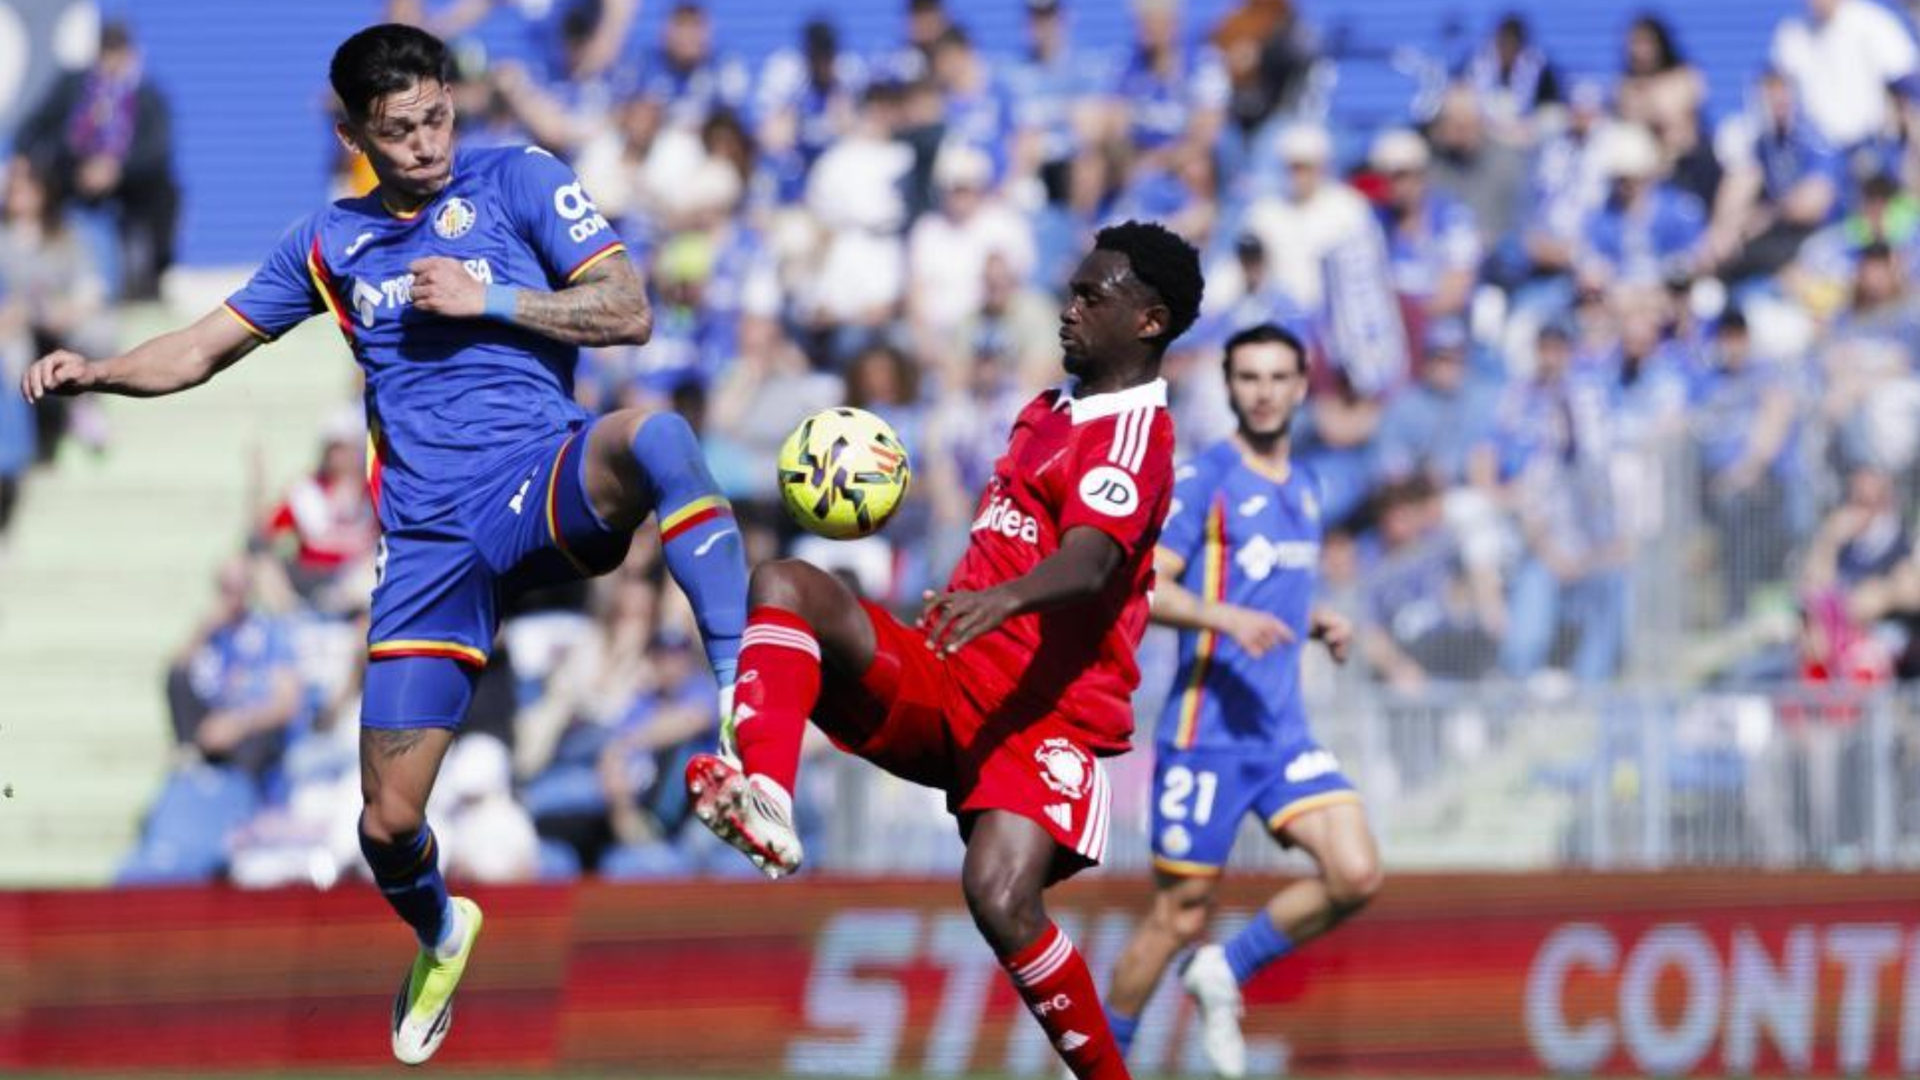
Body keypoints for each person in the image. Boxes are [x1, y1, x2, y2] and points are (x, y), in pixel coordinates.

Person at [18, 24, 750, 1066]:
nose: (425, 144)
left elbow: (630, 308)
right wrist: (97, 371)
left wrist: (491, 297)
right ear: (355, 131)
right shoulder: (329, 243)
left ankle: (744, 685)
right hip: (425, 546)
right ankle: (443, 932)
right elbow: (198, 347)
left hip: (537, 483)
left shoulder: (520, 180)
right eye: (399, 130)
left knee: (661, 437)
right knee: (385, 824)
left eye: (437, 117)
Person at [683, 221, 1202, 1080]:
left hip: (1041, 718)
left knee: (999, 896)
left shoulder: (1134, 436)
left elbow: (1093, 559)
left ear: (1148, 321)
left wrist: (1004, 598)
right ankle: (767, 796)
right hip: (947, 668)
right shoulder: (1050, 410)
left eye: (1089, 296)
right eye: (1069, 290)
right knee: (784, 584)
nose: (1066, 309)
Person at [1101, 323, 1381, 1079]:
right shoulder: (1207, 478)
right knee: (1175, 918)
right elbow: (1146, 583)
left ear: (1301, 387)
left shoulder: (1311, 485)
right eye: (1248, 378)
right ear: (1230, 388)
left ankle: (1224, 970)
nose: (1263, 392)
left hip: (1281, 734)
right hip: (1207, 735)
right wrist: (1227, 619)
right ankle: (1091, 1067)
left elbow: (1270, 584)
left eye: (1277, 377)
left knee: (1355, 871)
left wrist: (1313, 619)